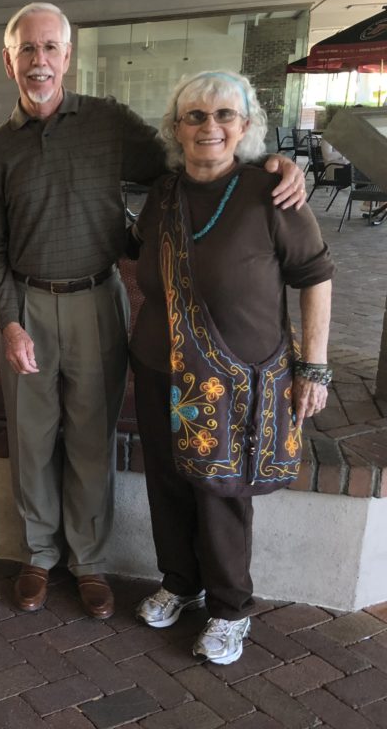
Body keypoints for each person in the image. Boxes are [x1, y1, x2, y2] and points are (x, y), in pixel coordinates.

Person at [0, 2, 307, 620]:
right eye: (27, 49)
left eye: (51, 48)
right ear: (9, 59)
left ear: (67, 57)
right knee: (31, 439)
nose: (39, 61)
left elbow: (199, 159)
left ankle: (89, 561)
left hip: (99, 298)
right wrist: (9, 319)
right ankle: (40, 554)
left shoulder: (108, 123)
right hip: (27, 307)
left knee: (91, 438)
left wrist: (275, 165)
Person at [128, 70, 333, 665]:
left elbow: (315, 275)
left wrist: (314, 368)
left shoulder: (273, 192)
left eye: (223, 116)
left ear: (245, 127)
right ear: (176, 128)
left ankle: (229, 608)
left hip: (234, 377)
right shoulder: (164, 194)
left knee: (221, 488)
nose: (209, 127)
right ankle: (181, 582)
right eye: (195, 116)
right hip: (159, 365)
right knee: (166, 479)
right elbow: (140, 253)